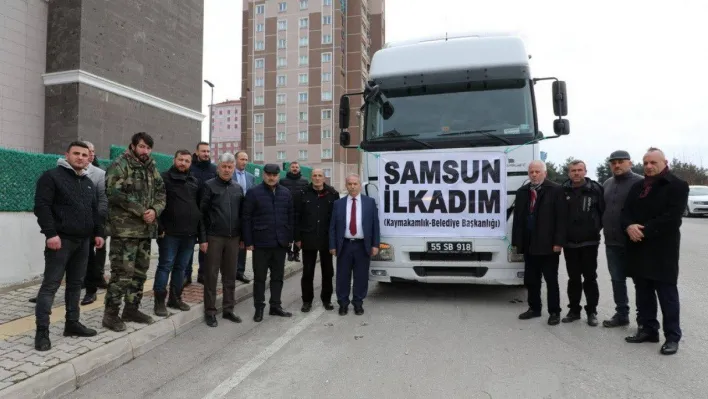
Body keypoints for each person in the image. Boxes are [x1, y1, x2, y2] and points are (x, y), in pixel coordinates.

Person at [33, 141, 104, 351]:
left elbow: (94, 211)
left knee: (75, 285)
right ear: (67, 155)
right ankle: (42, 332)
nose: (81, 158)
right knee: (50, 286)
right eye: (76, 154)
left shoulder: (88, 182)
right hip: (60, 242)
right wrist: (51, 234)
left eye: (84, 154)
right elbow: (41, 206)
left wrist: (98, 233)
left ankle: (72, 324)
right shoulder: (51, 177)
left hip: (83, 243)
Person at [621, 147, 688, 355]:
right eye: (646, 163)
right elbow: (626, 212)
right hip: (638, 248)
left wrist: (643, 231)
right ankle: (648, 330)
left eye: (653, 163)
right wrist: (629, 226)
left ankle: (672, 337)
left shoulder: (677, 185)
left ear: (664, 162)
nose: (649, 166)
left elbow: (672, 218)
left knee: (667, 295)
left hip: (662, 251)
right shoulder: (638, 186)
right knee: (643, 293)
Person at [102, 132, 166, 332]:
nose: (145, 151)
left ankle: (131, 309)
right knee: (122, 274)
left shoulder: (152, 167)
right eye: (141, 147)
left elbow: (161, 192)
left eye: (148, 148)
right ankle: (110, 315)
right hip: (125, 232)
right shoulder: (120, 164)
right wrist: (141, 211)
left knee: (140, 273)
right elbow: (114, 193)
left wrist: (155, 211)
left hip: (145, 231)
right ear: (133, 146)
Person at [512, 160, 567, 325]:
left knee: (551, 280)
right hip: (529, 244)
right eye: (531, 172)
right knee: (531, 279)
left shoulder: (556, 190)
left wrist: (558, 242)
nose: (534, 175)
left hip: (548, 244)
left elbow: (561, 219)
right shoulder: (522, 191)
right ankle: (534, 308)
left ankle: (554, 312)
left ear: (545, 173)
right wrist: (517, 242)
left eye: (537, 172)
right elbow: (518, 219)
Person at [153, 149, 205, 317]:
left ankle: (175, 298)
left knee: (181, 268)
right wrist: (159, 228)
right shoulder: (163, 178)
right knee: (165, 266)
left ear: (191, 162)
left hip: (189, 234)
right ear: (174, 160)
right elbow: (156, 203)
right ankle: (159, 301)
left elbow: (198, 207)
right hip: (169, 233)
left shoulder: (194, 181)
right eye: (180, 159)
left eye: (187, 161)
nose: (183, 163)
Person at [242, 163, 294, 322]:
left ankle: (275, 306)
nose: (271, 178)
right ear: (263, 175)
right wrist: (248, 241)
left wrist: (289, 238)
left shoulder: (286, 193)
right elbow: (246, 218)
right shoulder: (253, 193)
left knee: (278, 277)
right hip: (260, 244)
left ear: (279, 176)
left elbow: (291, 217)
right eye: (268, 174)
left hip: (280, 244)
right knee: (259, 278)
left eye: (274, 175)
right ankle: (259, 308)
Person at [200, 153, 245, 327]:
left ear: (234, 168)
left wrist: (242, 238)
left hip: (234, 238)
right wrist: (203, 239)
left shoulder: (237, 188)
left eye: (230, 167)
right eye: (224, 166)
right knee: (211, 276)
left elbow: (242, 215)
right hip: (214, 238)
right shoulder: (209, 186)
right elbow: (202, 215)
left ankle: (228, 309)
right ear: (218, 167)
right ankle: (210, 311)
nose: (227, 170)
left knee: (230, 275)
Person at [601, 150, 643, 328]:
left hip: (634, 243)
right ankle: (621, 314)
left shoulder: (641, 182)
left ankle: (644, 320)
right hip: (611, 241)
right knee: (617, 280)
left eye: (621, 162)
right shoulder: (607, 183)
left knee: (641, 282)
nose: (617, 165)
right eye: (613, 162)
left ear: (630, 163)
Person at [560, 160, 605, 326]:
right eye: (573, 170)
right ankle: (574, 310)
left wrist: (595, 229)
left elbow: (603, 213)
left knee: (590, 278)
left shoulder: (596, 189)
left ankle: (592, 311)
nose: (576, 173)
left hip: (589, 242)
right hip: (569, 243)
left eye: (579, 170)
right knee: (573, 279)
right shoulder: (562, 190)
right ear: (568, 173)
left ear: (585, 171)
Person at [329, 173, 380, 316]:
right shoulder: (338, 203)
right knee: (342, 276)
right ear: (346, 185)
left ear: (359, 185)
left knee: (361, 276)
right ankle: (343, 304)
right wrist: (332, 245)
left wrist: (375, 244)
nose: (352, 186)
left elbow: (375, 225)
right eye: (349, 184)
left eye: (355, 184)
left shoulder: (369, 202)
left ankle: (358, 303)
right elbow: (332, 226)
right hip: (344, 245)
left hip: (362, 245)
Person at [293, 168, 339, 312]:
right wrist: (297, 238)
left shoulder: (333, 194)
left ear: (324, 178)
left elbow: (336, 219)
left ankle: (327, 299)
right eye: (315, 176)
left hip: (326, 239)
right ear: (311, 177)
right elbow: (296, 217)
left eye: (320, 176)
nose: (317, 178)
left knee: (328, 272)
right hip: (308, 238)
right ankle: (307, 301)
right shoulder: (302, 193)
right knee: (307, 272)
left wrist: (335, 239)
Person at [185, 142, 217, 286]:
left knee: (206, 246)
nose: (206, 154)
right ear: (196, 152)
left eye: (208, 151)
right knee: (189, 245)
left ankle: (203, 274)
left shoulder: (214, 169)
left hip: (207, 214)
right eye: (203, 151)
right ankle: (186, 275)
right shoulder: (189, 168)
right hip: (190, 212)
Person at [81, 141, 108, 305]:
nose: (90, 155)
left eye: (91, 152)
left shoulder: (99, 172)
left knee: (95, 254)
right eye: (86, 152)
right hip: (71, 226)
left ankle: (95, 281)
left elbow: (103, 199)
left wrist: (98, 220)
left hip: (95, 222)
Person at [232, 150, 255, 283]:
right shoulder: (230, 174)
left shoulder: (251, 177)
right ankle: (229, 271)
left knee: (243, 244)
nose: (244, 162)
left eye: (246, 159)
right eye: (242, 159)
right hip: (231, 213)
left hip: (245, 216)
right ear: (236, 160)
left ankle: (240, 271)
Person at [279, 161, 308, 262]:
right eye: (293, 167)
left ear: (299, 169)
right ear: (289, 169)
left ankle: (296, 253)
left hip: (300, 211)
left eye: (296, 167)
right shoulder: (282, 181)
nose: (295, 168)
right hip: (287, 211)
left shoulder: (305, 181)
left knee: (298, 233)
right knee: (288, 232)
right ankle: (289, 253)